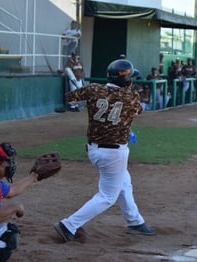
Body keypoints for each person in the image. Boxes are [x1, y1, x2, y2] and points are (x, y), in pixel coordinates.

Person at [53, 59, 155, 242]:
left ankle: (135, 221)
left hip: (94, 149)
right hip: (113, 153)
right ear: (123, 79)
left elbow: (69, 98)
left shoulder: (93, 89)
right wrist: (129, 87)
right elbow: (139, 109)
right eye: (130, 77)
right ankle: (69, 225)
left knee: (124, 182)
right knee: (108, 196)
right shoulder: (130, 97)